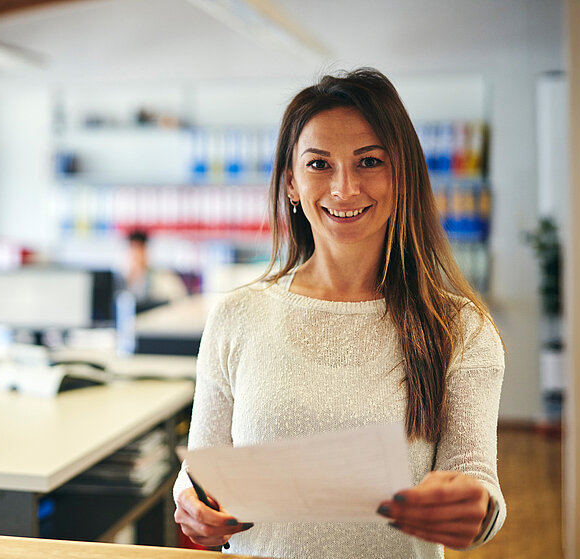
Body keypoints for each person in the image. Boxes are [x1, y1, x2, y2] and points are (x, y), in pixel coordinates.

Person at [173, 68, 506, 558]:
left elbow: (479, 483)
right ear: (291, 183)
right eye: (319, 164)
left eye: (369, 161)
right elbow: (201, 468)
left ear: (402, 175)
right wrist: (192, 503)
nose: (345, 189)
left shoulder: (460, 329)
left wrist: (470, 508)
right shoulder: (236, 316)